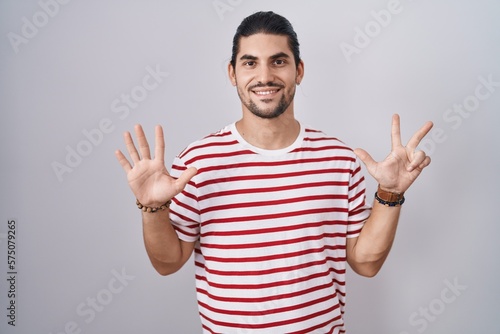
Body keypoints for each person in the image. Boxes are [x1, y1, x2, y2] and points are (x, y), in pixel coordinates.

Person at [115, 11, 433, 334]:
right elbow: (167, 263)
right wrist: (153, 209)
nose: (264, 76)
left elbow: (365, 262)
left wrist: (390, 193)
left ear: (299, 70)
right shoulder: (197, 162)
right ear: (232, 73)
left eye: (278, 61)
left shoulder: (339, 159)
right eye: (250, 63)